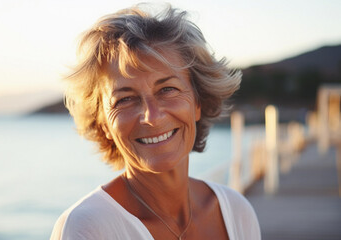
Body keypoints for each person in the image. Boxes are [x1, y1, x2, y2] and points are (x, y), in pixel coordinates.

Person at [50, 4, 261, 240]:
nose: (152, 116)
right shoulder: (88, 228)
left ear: (198, 103)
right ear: (103, 124)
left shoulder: (236, 212)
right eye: (125, 99)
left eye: (167, 89)